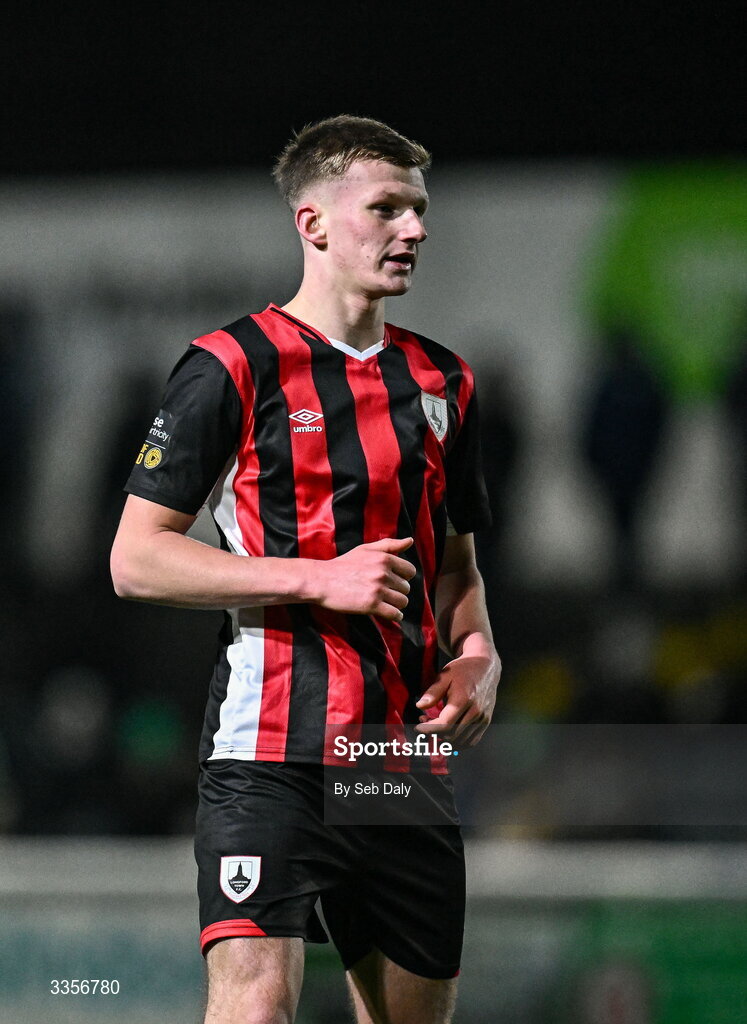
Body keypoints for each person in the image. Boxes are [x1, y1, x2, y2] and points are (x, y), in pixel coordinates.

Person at [110, 114, 501, 1024]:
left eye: (419, 210)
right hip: (267, 751)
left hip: (390, 760)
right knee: (253, 1008)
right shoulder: (229, 366)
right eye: (388, 208)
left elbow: (456, 574)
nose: (415, 229)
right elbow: (136, 559)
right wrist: (314, 578)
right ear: (313, 223)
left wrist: (480, 654)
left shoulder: (445, 383)